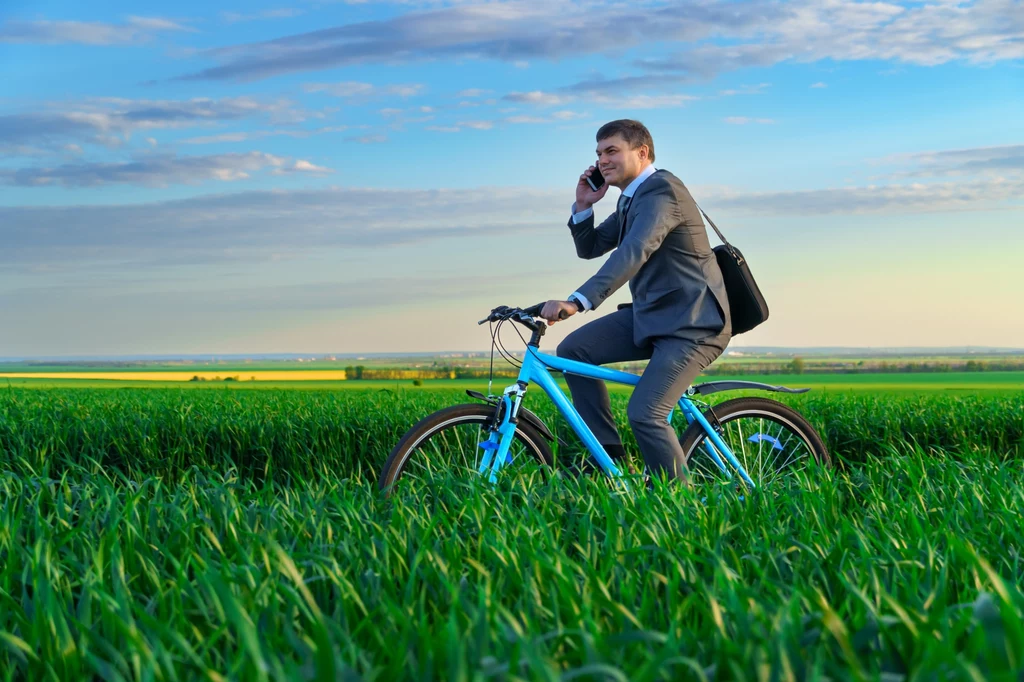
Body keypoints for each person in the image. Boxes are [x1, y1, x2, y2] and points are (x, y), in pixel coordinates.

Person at [538, 119, 732, 486]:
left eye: (612, 151)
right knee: (574, 351)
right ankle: (607, 458)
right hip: (654, 317)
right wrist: (583, 205)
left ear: (641, 152)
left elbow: (634, 251)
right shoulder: (633, 198)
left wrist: (578, 302)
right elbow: (591, 248)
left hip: (693, 325)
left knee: (646, 413)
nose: (601, 161)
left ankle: (679, 503)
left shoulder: (662, 193)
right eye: (598, 153)